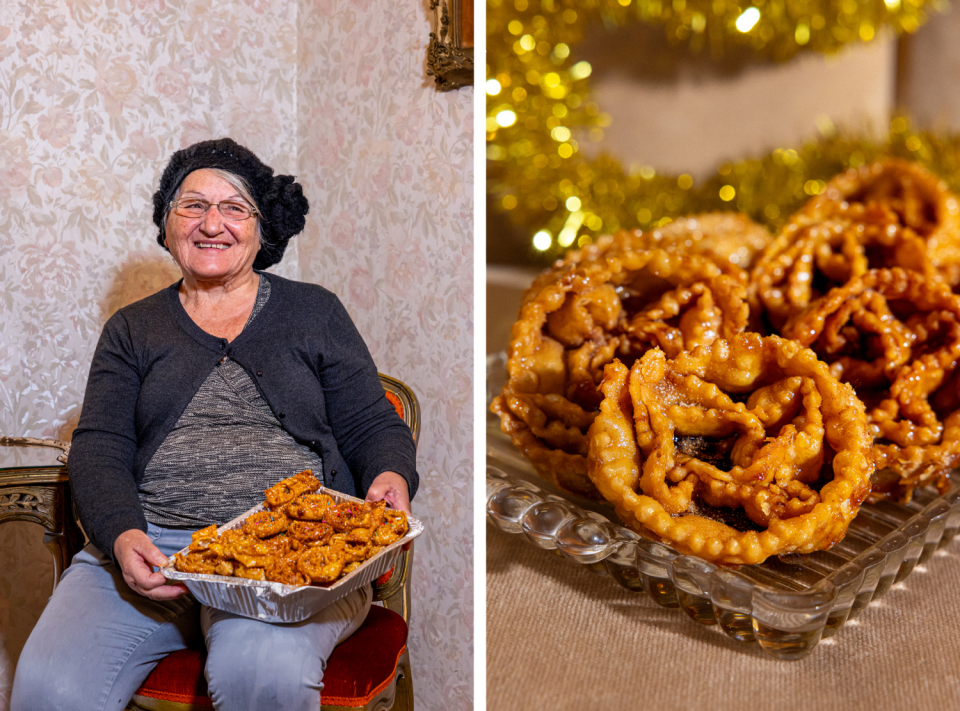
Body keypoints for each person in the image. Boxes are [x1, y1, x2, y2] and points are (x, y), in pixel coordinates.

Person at [11, 138, 419, 711]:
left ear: (261, 227)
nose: (212, 223)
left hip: (287, 558)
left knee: (261, 674)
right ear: (168, 221)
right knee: (49, 685)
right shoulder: (132, 329)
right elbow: (100, 447)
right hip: (157, 546)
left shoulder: (314, 311)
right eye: (192, 205)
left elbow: (370, 422)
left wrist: (390, 475)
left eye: (234, 207)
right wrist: (124, 536)